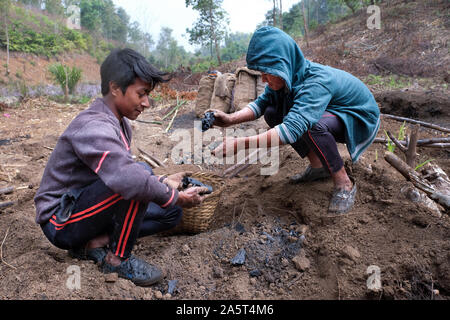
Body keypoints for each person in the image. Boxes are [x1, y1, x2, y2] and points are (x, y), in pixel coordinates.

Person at [34, 48, 208, 287]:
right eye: (141, 94)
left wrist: (166, 182)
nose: (147, 103)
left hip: (91, 205)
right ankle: (116, 260)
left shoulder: (120, 122)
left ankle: (92, 244)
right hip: (61, 220)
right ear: (115, 88)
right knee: (140, 179)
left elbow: (122, 172)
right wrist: (174, 195)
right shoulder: (94, 126)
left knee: (171, 212)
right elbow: (128, 179)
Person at [210, 27, 380, 215]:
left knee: (310, 125)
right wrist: (229, 119)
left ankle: (344, 184)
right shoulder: (287, 76)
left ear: (282, 65)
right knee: (273, 112)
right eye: (261, 73)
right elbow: (261, 104)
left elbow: (291, 129)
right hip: (332, 111)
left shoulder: (315, 82)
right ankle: (318, 168)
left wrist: (239, 144)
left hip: (358, 116)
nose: (264, 80)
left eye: (267, 73)